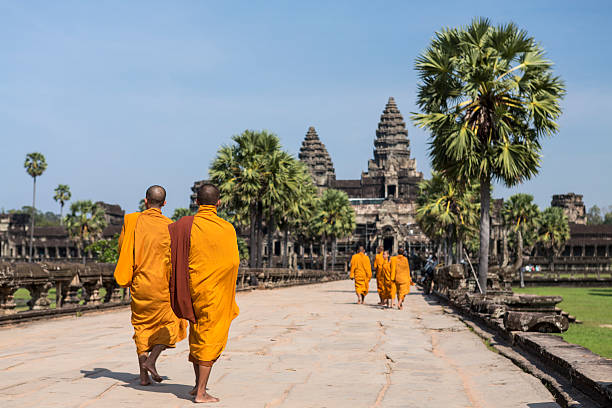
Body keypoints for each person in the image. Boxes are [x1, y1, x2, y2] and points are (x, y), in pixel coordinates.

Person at [168, 183, 239, 403]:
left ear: (197, 202)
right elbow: (233, 263)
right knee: (209, 336)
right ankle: (201, 392)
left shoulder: (185, 225)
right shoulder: (227, 228)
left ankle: (197, 386)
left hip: (193, 289)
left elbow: (170, 252)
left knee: (198, 334)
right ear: (219, 203)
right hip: (215, 292)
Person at [114, 185, 187, 386]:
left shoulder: (132, 221)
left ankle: (144, 377)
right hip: (162, 286)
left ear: (145, 201)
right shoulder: (171, 226)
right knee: (173, 324)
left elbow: (123, 247)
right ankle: (152, 360)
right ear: (164, 203)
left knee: (141, 328)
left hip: (140, 284)